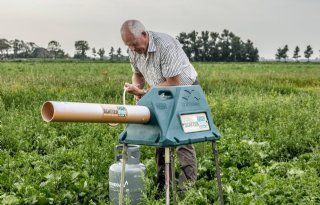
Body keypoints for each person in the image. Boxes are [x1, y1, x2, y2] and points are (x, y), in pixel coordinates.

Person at [120, 19, 198, 192]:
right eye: (128, 46)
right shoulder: (133, 50)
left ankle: (187, 190)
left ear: (144, 34)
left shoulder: (165, 45)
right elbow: (137, 74)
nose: (132, 49)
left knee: (182, 138)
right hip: (157, 93)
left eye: (134, 44)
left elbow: (173, 83)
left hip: (184, 92)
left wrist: (143, 93)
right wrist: (138, 90)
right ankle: (163, 187)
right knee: (161, 136)